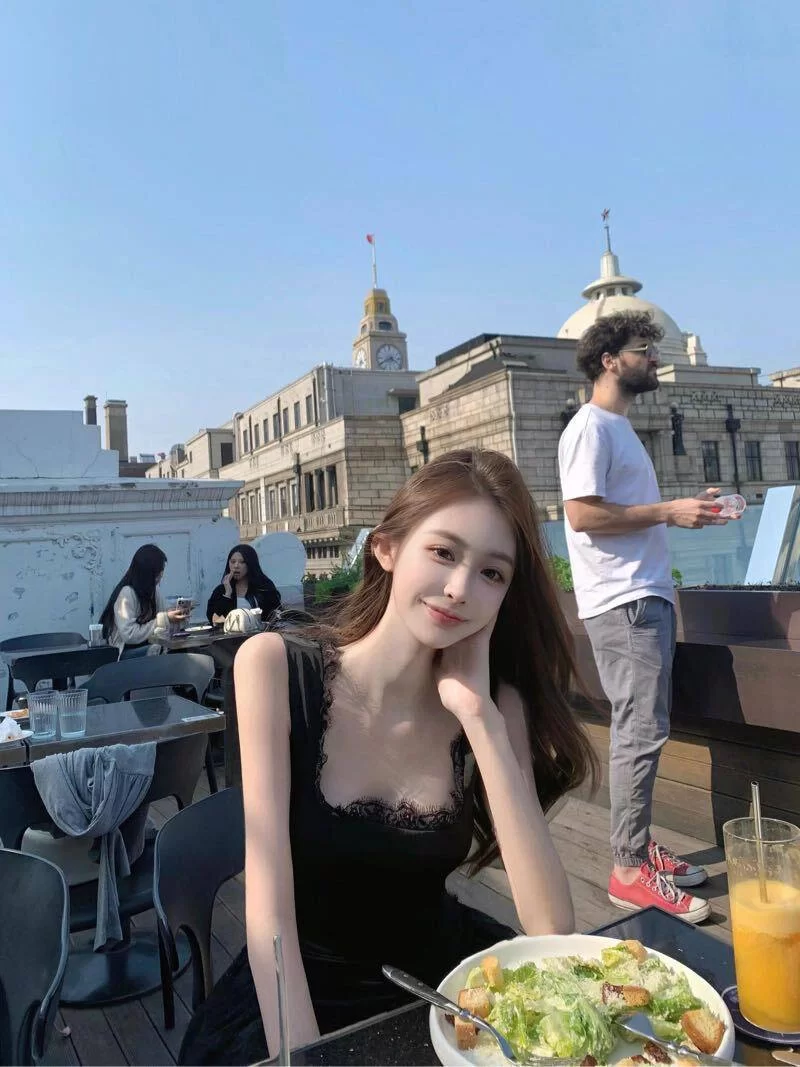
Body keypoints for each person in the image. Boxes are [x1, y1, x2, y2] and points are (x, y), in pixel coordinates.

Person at [180, 449, 597, 1065]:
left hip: (444, 991)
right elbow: (269, 916)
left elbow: (551, 927)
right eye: (444, 552)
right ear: (387, 548)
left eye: (491, 573)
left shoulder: (492, 704)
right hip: (301, 992)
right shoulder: (275, 669)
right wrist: (310, 1061)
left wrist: (477, 714)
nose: (459, 589)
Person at [558, 310, 734, 924]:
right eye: (643, 349)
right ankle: (629, 870)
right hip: (625, 601)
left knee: (644, 729)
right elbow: (581, 515)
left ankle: (636, 848)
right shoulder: (591, 428)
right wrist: (667, 511)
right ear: (610, 360)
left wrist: (682, 511)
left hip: (638, 597)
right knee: (640, 732)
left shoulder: (617, 428)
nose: (654, 359)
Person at [99, 544, 188, 659]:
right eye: (158, 572)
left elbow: (165, 621)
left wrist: (179, 617)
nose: (161, 575)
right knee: (158, 650)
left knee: (180, 649)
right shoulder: (127, 594)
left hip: (147, 645)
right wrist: (164, 619)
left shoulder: (153, 591)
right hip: (124, 652)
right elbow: (129, 635)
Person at [206, 544, 281, 625]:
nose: (236, 566)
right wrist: (227, 594)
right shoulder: (221, 590)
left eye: (242, 562)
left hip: (261, 632)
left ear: (250, 564)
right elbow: (214, 620)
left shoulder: (264, 586)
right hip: (231, 633)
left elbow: (276, 614)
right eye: (233, 562)